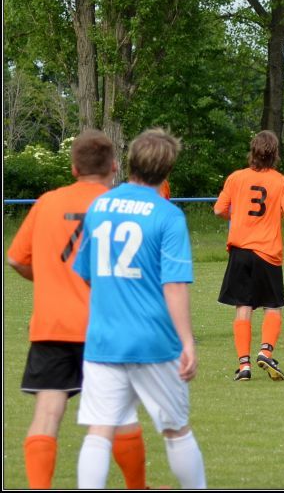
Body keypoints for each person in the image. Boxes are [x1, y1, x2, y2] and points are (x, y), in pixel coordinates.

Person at [6, 129, 148, 489]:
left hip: (53, 326)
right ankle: (137, 486)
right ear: (114, 166)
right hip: (106, 329)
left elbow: (16, 260)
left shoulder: (48, 202)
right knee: (119, 415)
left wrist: (53, 279)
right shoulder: (120, 209)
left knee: (48, 413)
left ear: (73, 168)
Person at [72, 128, 206, 488]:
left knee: (99, 432)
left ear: (129, 162)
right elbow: (174, 284)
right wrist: (188, 341)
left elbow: (85, 273)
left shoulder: (99, 205)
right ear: (167, 171)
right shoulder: (168, 215)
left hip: (104, 339)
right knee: (176, 429)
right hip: (154, 341)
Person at [215, 130, 284, 381]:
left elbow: (220, 209)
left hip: (240, 251)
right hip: (267, 252)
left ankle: (244, 366)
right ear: (275, 154)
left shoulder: (236, 178)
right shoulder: (282, 181)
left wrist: (237, 217)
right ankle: (265, 351)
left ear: (252, 151)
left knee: (243, 306)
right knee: (272, 305)